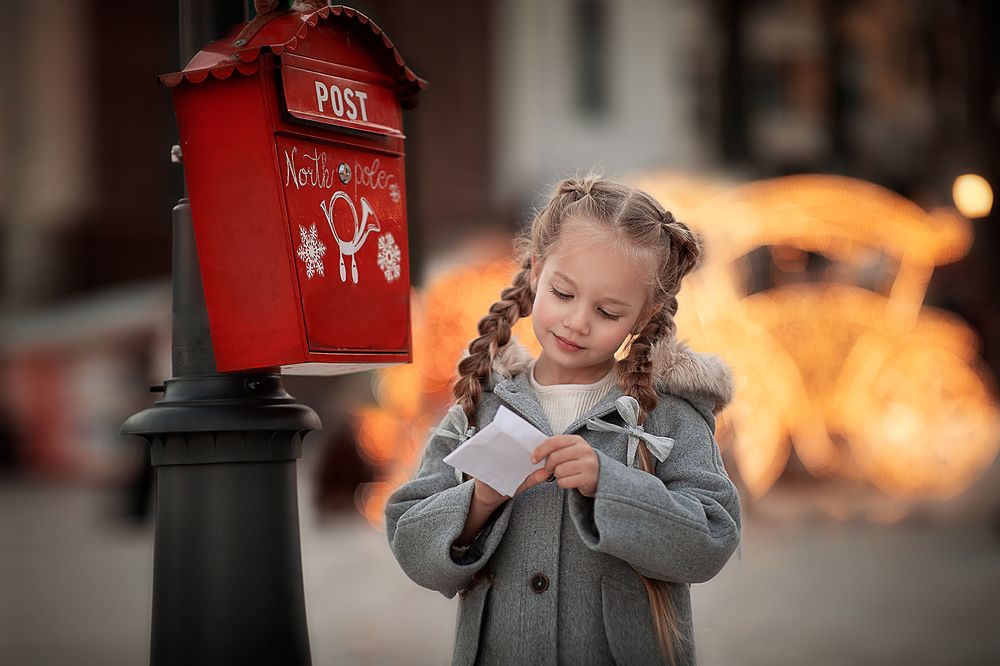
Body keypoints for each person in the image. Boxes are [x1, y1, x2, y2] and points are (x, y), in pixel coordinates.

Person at [384, 175, 741, 665]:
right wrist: (480, 499)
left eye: (608, 311)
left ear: (644, 315)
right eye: (563, 293)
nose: (577, 322)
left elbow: (711, 541)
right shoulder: (480, 404)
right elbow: (410, 541)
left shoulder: (668, 414)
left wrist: (610, 484)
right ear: (536, 272)